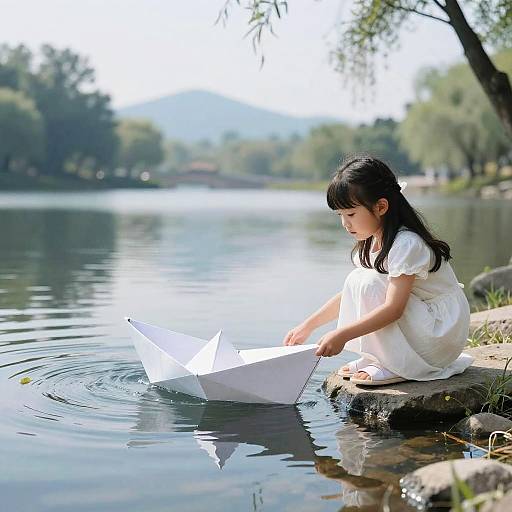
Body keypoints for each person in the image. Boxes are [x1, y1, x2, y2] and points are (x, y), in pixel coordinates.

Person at [282, 154, 473, 386]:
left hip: (441, 334)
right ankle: (378, 357)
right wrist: (308, 326)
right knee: (358, 279)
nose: (345, 223)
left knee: (371, 283)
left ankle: (396, 364)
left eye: (351, 214)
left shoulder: (406, 244)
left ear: (381, 206)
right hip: (422, 324)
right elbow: (350, 294)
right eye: (340, 215)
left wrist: (342, 335)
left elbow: (393, 309)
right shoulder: (374, 240)